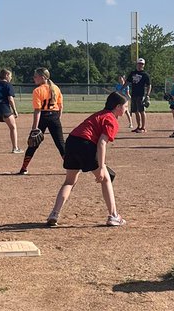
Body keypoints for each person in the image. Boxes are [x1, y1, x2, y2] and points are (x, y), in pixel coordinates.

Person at [46, 92, 128, 227]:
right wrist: (101, 167)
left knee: (69, 181)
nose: (126, 110)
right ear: (118, 106)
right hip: (85, 144)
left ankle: (54, 213)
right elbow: (101, 143)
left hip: (72, 142)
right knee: (106, 179)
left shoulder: (99, 114)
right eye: (125, 106)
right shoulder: (111, 119)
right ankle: (113, 216)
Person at [16, 68, 65, 174]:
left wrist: (34, 127)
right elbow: (61, 106)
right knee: (60, 144)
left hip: (43, 117)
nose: (34, 78)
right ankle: (71, 167)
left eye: (35, 76)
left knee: (33, 144)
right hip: (55, 116)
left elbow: (37, 110)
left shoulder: (37, 90)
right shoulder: (56, 88)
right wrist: (57, 119)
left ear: (42, 77)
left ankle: (24, 168)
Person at [128, 58, 151, 132]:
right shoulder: (132, 73)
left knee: (141, 111)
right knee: (135, 111)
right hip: (134, 95)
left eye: (142, 64)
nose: (140, 65)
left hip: (141, 95)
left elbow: (149, 85)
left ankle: (143, 127)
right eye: (139, 63)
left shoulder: (145, 75)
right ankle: (138, 126)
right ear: (137, 64)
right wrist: (121, 89)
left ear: (144, 65)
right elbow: (127, 82)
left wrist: (147, 95)